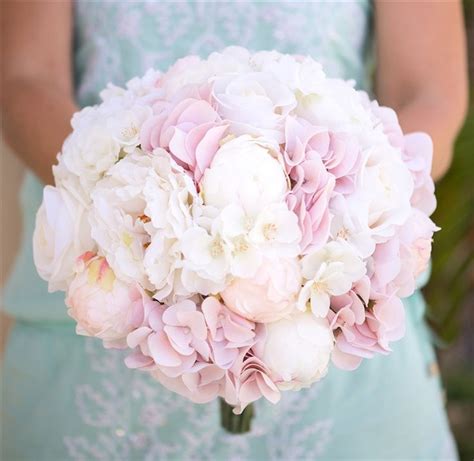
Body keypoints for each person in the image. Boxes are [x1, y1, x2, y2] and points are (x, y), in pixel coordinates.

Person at [0, 1, 468, 460]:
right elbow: (25, 79)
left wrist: (326, 217)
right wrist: (143, 208)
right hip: (106, 297)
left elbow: (428, 94)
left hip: (333, 313)